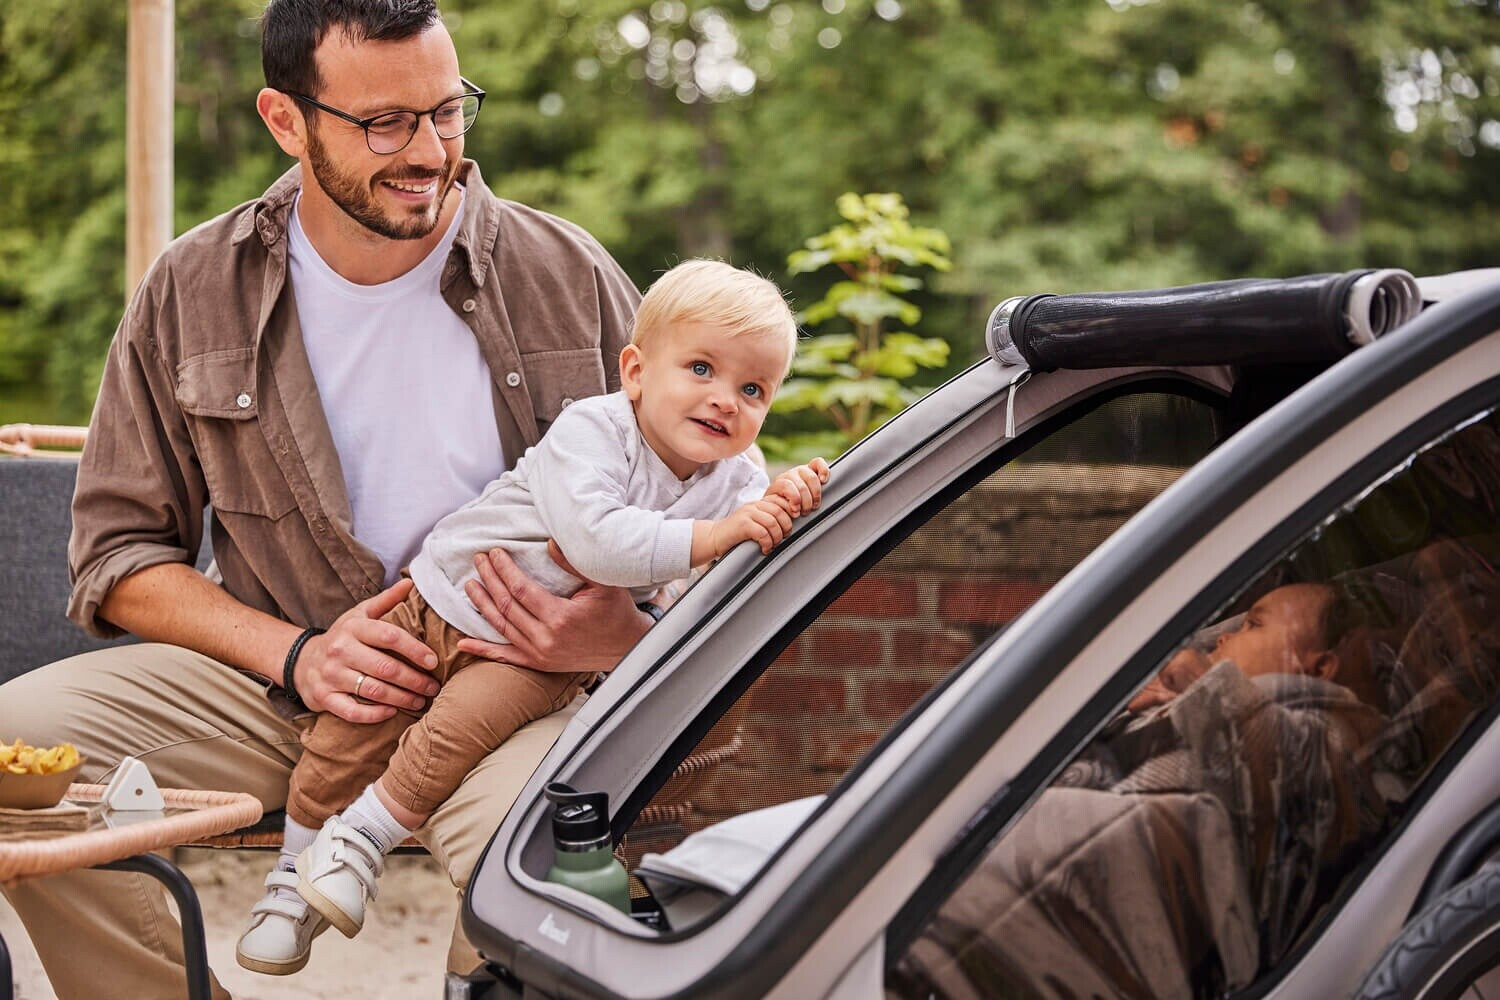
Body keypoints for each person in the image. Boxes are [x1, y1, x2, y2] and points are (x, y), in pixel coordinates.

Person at [0, 2, 660, 996]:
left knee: (546, 869)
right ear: (285, 119)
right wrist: (300, 656)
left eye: (447, 111)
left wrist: (620, 628)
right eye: (384, 123)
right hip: (280, 681)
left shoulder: (569, 275)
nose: (429, 151)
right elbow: (118, 558)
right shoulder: (192, 288)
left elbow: (719, 529)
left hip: (518, 693)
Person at [237, 259, 829, 974]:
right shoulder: (596, 431)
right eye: (700, 368)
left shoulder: (735, 481)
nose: (724, 400)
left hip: (537, 653)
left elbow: (729, 578)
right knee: (347, 735)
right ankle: (292, 884)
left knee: (456, 731)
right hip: (442, 599)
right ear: (637, 372)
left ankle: (358, 841)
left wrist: (790, 492)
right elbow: (596, 540)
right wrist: (714, 537)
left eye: (753, 388)